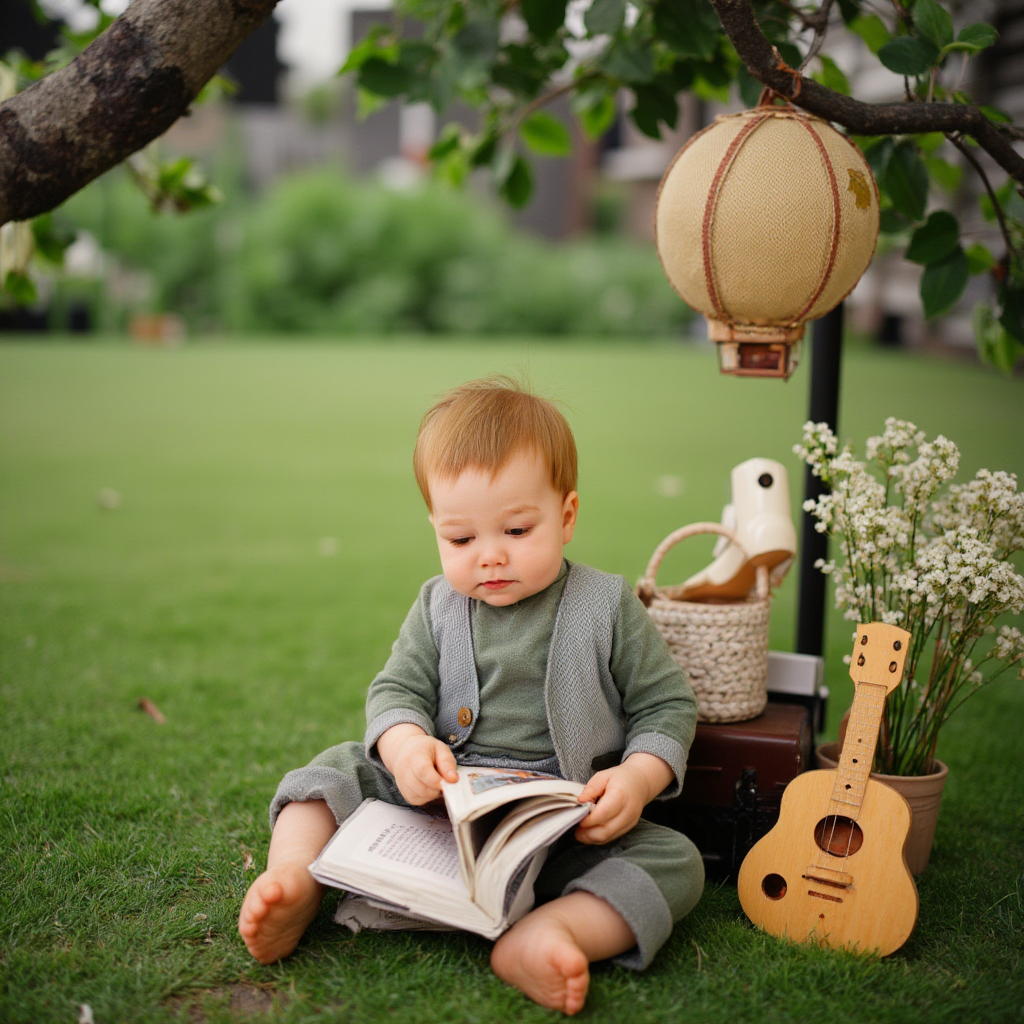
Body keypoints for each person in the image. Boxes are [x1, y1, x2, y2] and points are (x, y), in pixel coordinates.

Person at [238, 376, 704, 1015]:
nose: (489, 557)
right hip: (439, 805)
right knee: (338, 766)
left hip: (563, 824)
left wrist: (637, 781)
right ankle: (293, 876)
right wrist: (405, 749)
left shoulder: (606, 607)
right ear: (435, 528)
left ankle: (557, 930)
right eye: (461, 539)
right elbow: (395, 688)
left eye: (516, 530)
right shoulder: (437, 604)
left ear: (566, 516)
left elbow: (666, 706)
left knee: (675, 859)